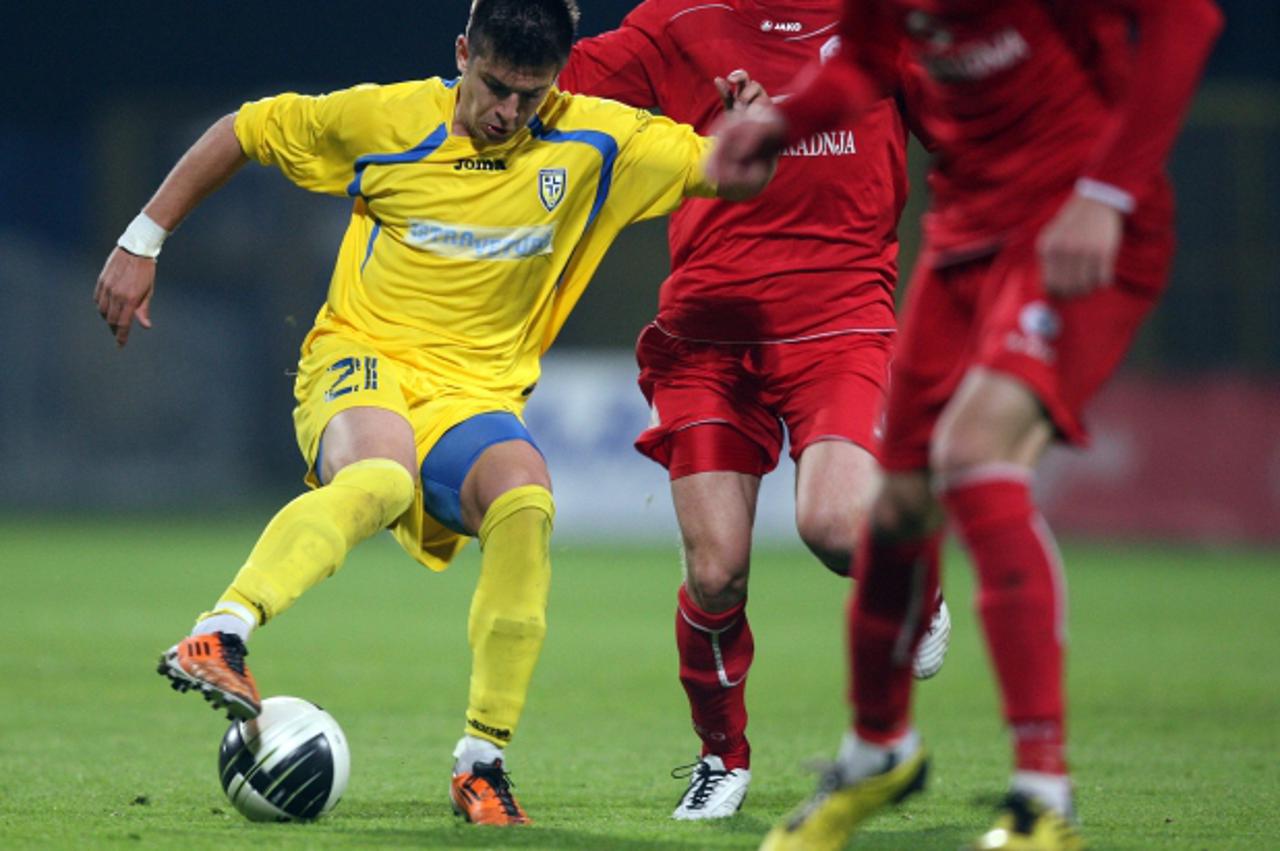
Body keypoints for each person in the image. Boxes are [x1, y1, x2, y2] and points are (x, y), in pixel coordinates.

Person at [93, 0, 775, 827]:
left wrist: (755, 130)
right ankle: (220, 633)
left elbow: (732, 173)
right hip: (361, 360)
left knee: (526, 502)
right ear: (461, 53)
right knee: (381, 476)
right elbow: (244, 129)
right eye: (494, 87)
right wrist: (143, 238)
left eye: (531, 95)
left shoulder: (601, 140)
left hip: (474, 393)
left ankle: (481, 766)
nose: (508, 113)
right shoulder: (385, 120)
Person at [710, 0, 1223, 848]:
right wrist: (781, 122)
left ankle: (1042, 797)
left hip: (1074, 226)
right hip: (966, 238)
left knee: (975, 457)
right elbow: (866, 62)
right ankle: (879, 750)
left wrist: (1106, 190)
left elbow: (1188, 21)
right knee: (898, 505)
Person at [557, 0, 953, 822]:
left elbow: (967, 129)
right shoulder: (678, 19)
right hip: (707, 331)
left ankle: (921, 578)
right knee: (714, 571)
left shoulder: (883, 19)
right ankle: (720, 758)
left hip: (840, 316)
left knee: (839, 527)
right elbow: (549, 83)